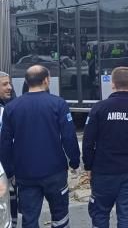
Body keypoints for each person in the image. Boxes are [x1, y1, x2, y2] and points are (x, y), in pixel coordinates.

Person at [0, 65, 80, 228]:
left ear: (26, 82)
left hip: (25, 173)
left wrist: (9, 171)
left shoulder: (11, 108)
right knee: (60, 216)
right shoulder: (58, 104)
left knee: (29, 219)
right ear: (46, 80)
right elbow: (69, 137)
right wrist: (74, 161)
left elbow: (5, 143)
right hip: (55, 171)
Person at [83, 66, 128, 228]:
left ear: (112, 84)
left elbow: (88, 142)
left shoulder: (99, 108)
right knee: (127, 213)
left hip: (103, 170)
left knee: (99, 212)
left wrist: (88, 165)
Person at [0, 72, 17, 228]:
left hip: (9, 169)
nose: (10, 87)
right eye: (4, 84)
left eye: (9, 83)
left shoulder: (11, 106)